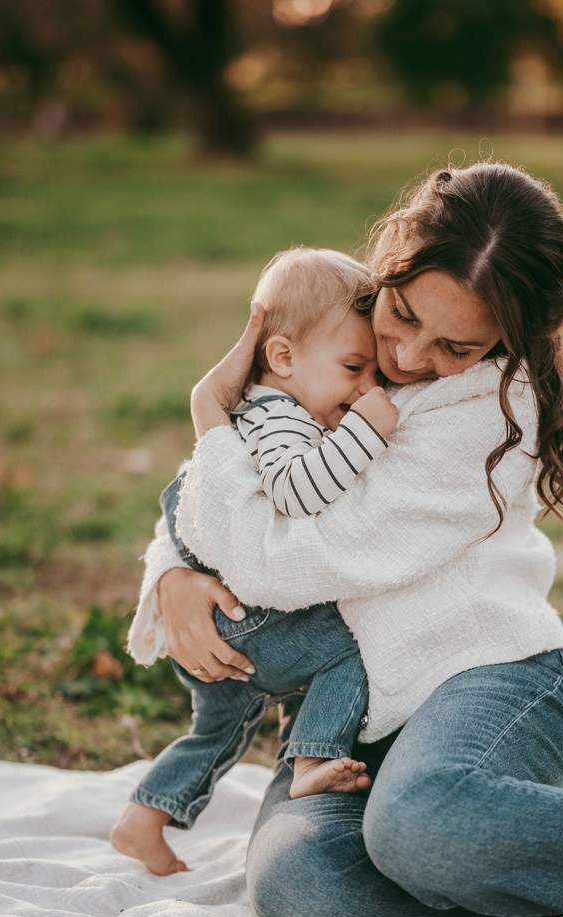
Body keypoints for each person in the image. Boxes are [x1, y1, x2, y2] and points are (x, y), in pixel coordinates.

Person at [128, 160, 563, 917]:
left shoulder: (485, 421)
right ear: (392, 259)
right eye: (400, 313)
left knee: (419, 823)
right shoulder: (340, 325)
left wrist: (207, 413)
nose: (404, 355)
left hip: (490, 688)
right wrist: (174, 572)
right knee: (305, 896)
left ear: (510, 339)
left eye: (454, 344)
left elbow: (282, 559)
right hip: (350, 725)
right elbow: (219, 490)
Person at [112, 248, 398, 876]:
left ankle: (144, 819)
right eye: (354, 368)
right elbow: (296, 492)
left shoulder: (278, 408)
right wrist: (366, 433)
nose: (364, 389)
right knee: (348, 653)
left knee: (217, 731)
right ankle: (313, 757)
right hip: (247, 613)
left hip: (230, 617)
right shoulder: (278, 418)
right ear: (283, 357)